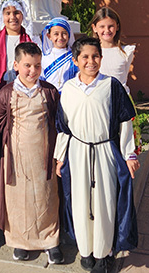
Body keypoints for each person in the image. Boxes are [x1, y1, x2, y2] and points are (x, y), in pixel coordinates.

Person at [54, 37, 139, 273]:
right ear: (75, 60)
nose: (91, 61)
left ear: (101, 58)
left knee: (105, 202)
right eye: (85, 57)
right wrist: (60, 157)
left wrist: (129, 155)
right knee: (81, 202)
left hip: (104, 152)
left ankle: (104, 253)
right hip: (78, 151)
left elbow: (125, 122)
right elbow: (63, 126)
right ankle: (87, 249)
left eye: (95, 56)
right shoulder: (68, 89)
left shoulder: (112, 86)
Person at [0, 42, 63, 264]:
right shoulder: (6, 93)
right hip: (16, 156)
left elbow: (56, 119)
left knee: (46, 196)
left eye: (37, 66)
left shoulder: (49, 91)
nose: (32, 71)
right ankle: (20, 242)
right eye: (27, 66)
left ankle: (50, 241)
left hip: (43, 154)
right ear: (15, 65)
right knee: (17, 198)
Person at [0, 0, 37, 88]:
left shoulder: (31, 40)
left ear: (23, 14)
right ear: (2, 16)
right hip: (0, 88)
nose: (12, 17)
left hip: (26, 88)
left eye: (17, 13)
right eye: (8, 13)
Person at [90, 6, 135, 94]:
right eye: (102, 26)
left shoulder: (126, 51)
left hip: (120, 100)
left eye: (111, 26)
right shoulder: (90, 52)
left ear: (117, 27)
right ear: (94, 28)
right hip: (97, 97)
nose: (107, 30)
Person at [41, 17, 77, 92]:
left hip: (69, 95)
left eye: (64, 33)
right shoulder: (44, 57)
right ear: (49, 36)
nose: (60, 37)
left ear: (69, 35)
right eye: (56, 34)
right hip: (49, 96)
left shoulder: (74, 55)